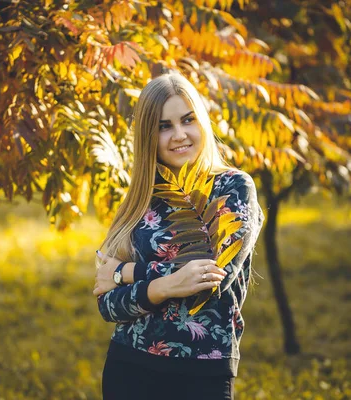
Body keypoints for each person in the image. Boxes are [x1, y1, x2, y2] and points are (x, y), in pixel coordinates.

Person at [93, 72, 264, 400]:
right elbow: (108, 305)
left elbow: (212, 277)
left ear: (201, 122)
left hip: (202, 373)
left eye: (188, 120)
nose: (180, 135)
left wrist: (128, 274)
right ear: (148, 136)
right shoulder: (140, 200)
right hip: (129, 369)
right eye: (163, 126)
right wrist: (165, 285)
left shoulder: (232, 188)